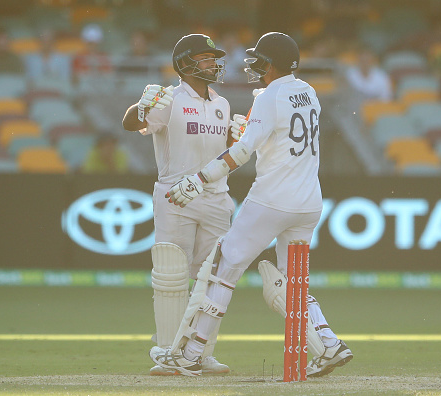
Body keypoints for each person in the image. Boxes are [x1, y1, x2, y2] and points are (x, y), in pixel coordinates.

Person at [150, 32, 353, 377]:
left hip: (273, 199)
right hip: (309, 202)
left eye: (259, 60)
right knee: (293, 281)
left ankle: (193, 352)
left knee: (224, 267)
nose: (254, 66)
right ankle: (330, 344)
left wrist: (199, 180)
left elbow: (243, 151)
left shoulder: (269, 96)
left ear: (270, 63)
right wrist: (257, 118)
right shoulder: (309, 92)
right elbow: (281, 127)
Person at [122, 33, 237, 376]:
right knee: (173, 274)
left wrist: (238, 137)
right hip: (175, 196)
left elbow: (221, 151)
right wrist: (141, 106)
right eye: (204, 58)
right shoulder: (167, 99)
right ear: (185, 63)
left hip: (216, 197)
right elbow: (131, 123)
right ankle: (168, 351)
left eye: (214, 58)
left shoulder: (222, 104)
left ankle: (202, 352)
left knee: (212, 278)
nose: (213, 64)